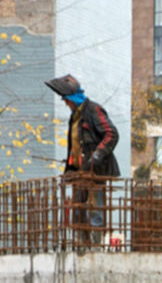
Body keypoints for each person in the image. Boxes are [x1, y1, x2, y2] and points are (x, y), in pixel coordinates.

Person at [45, 75, 120, 244]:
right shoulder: (75, 116)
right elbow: (75, 145)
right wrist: (71, 169)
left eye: (66, 100)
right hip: (81, 172)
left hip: (96, 172)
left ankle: (95, 245)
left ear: (73, 98)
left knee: (96, 210)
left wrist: (97, 156)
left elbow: (111, 134)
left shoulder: (93, 110)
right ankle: (80, 245)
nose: (65, 103)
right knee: (78, 210)